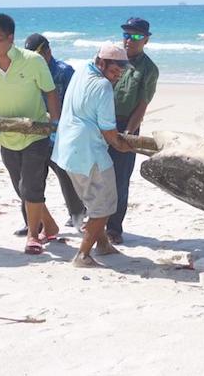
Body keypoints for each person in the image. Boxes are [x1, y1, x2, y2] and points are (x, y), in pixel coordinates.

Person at [0, 13, 61, 255]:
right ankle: (51, 225)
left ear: (10, 38)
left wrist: (54, 125)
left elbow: (50, 92)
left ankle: (34, 236)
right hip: (7, 137)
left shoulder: (33, 61)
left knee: (32, 187)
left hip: (35, 133)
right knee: (21, 188)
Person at [51, 43, 134, 267]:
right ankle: (82, 255)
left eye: (121, 72)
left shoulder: (82, 70)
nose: (116, 76)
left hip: (67, 152)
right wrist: (122, 145)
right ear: (102, 62)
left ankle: (103, 244)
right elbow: (109, 131)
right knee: (104, 207)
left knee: (94, 201)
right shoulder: (103, 86)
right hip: (89, 154)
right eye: (114, 70)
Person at [24, 33, 86, 230]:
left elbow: (75, 102)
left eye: (38, 54)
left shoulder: (64, 72)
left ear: (48, 51)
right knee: (30, 179)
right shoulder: (28, 70)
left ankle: (77, 214)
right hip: (34, 135)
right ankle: (32, 224)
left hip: (59, 135)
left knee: (65, 175)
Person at [106, 17, 159, 245]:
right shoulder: (111, 59)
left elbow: (141, 106)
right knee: (96, 173)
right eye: (126, 34)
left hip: (127, 125)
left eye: (136, 36)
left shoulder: (149, 69)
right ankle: (92, 218)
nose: (130, 40)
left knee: (120, 180)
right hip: (101, 123)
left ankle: (114, 228)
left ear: (146, 40)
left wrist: (128, 135)